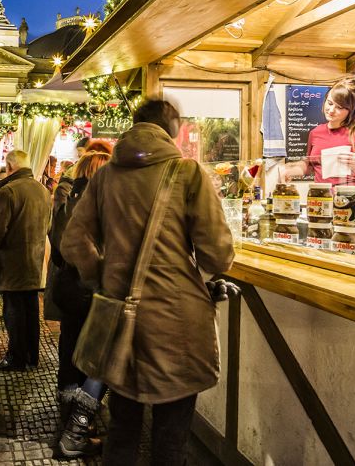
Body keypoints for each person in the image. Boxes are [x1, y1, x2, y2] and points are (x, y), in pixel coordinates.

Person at [62, 99, 235, 465]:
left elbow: (73, 241)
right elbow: (218, 255)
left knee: (122, 429)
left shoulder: (106, 175)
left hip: (120, 319)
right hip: (177, 325)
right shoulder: (188, 173)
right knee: (171, 438)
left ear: (134, 125)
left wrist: (101, 277)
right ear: (171, 128)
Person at [49, 141, 112, 459]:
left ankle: (68, 416)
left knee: (70, 349)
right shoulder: (101, 201)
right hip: (93, 290)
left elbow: (57, 241)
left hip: (69, 286)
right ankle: (77, 429)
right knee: (98, 356)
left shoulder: (69, 198)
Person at [0, 149, 51, 371]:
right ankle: (31, 355)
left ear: (10, 166)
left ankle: (16, 358)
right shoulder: (42, 189)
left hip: (12, 262)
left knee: (13, 313)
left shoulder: (9, 191)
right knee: (31, 312)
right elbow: (48, 225)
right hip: (34, 259)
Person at [282, 76, 355, 187]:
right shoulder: (315, 132)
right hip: (320, 199)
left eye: (339, 107)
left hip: (350, 201)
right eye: (329, 103)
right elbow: (310, 165)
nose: (331, 110)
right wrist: (292, 170)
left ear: (352, 110)